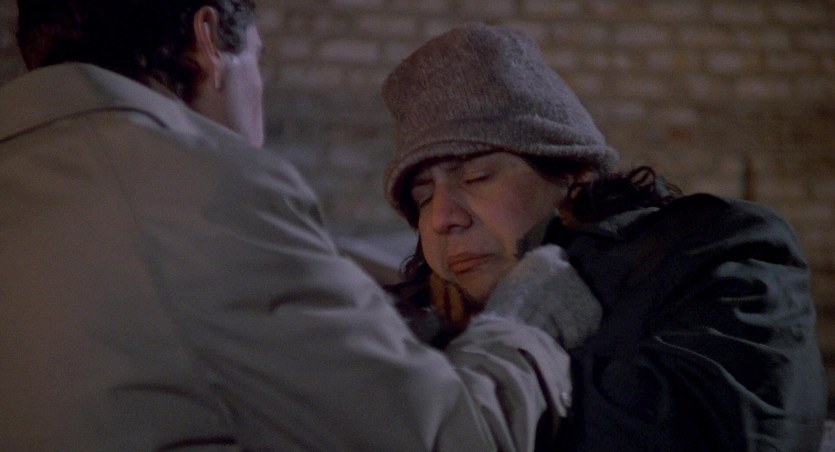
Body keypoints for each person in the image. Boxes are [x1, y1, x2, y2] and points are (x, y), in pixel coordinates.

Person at [0, 3, 602, 450]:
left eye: (477, 176)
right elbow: (444, 437)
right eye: (258, 62)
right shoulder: (196, 188)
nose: (442, 217)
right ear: (207, 41)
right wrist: (523, 319)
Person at [382, 23, 827, 451]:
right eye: (423, 197)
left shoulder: (714, 250)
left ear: (571, 171)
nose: (442, 217)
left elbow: (726, 428)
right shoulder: (398, 327)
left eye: (477, 177)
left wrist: (512, 366)